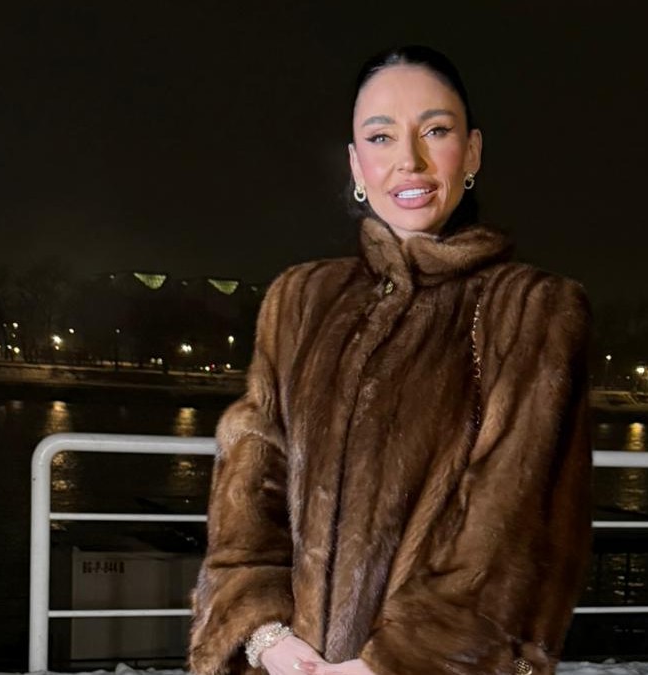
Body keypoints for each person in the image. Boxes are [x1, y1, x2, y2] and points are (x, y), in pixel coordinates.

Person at [188, 45, 592, 675]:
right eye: (381, 136)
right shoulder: (300, 300)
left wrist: (392, 664)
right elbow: (250, 487)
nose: (410, 159)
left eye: (436, 130)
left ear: (473, 151)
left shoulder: (530, 309)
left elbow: (513, 530)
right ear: (356, 163)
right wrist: (264, 633)